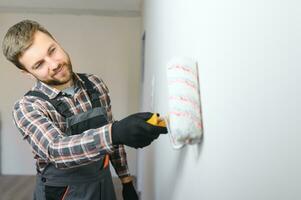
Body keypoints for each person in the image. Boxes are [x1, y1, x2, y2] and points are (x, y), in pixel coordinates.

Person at [2, 19, 167, 200]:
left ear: (56, 41)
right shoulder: (27, 107)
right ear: (27, 72)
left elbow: (113, 140)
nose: (54, 64)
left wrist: (126, 180)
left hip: (103, 183)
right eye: (39, 64)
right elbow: (56, 150)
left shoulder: (95, 84)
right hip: (62, 192)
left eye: (52, 50)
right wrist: (114, 133)